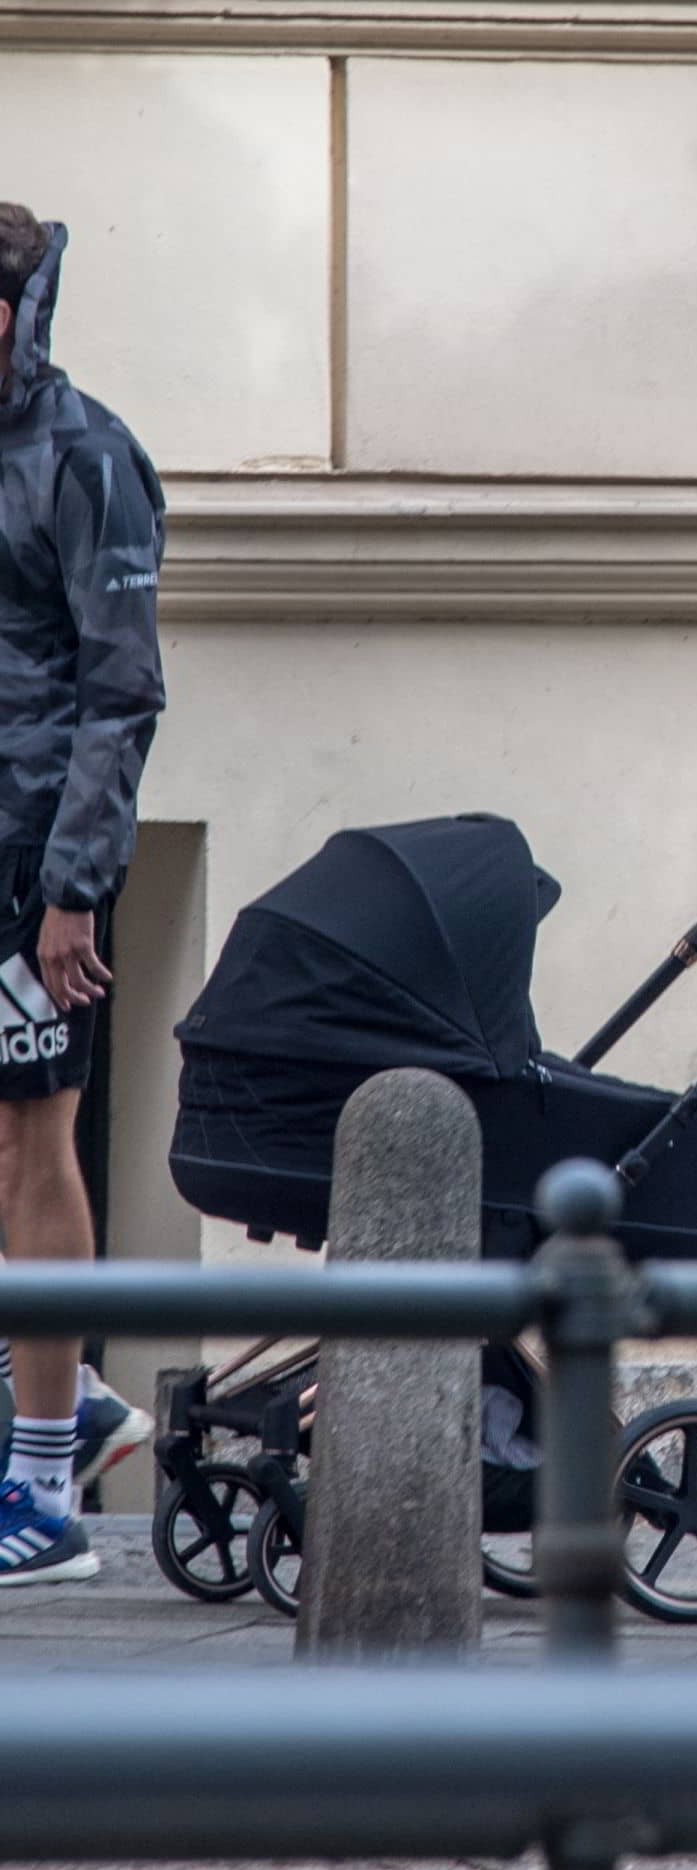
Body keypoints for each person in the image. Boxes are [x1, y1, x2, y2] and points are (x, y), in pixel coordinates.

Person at [0, 203, 165, 1583]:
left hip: (32, 864)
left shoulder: (87, 453)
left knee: (30, 1152)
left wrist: (75, 892)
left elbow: (124, 690)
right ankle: (70, 1405)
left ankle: (46, 1500)